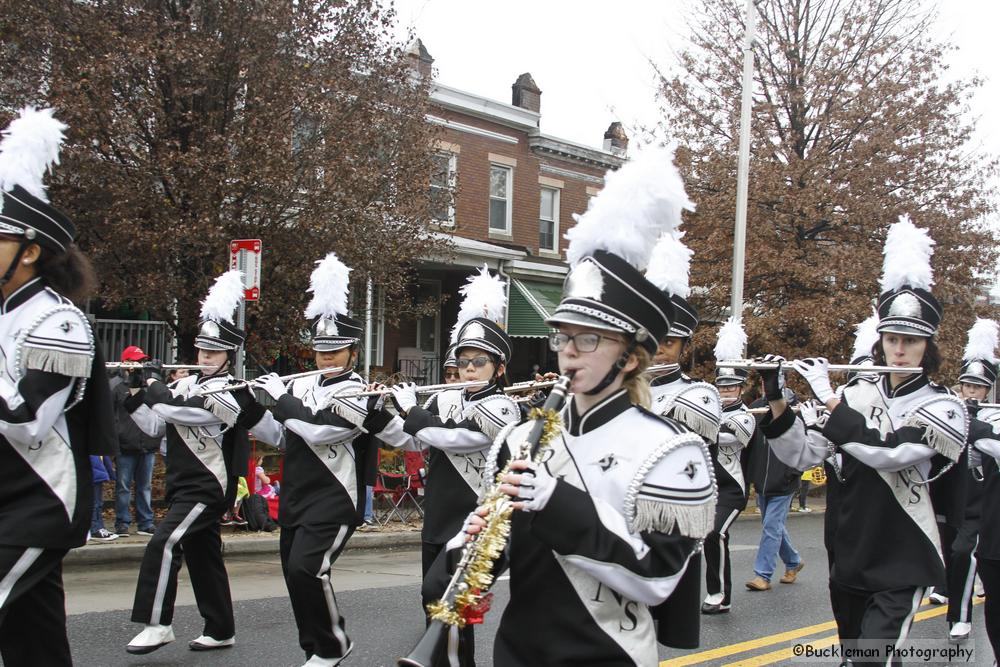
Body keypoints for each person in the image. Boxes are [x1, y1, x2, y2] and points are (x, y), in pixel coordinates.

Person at [456, 146, 716, 665]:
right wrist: (465, 557)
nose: (569, 351)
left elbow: (657, 578)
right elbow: (505, 549)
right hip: (518, 651)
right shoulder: (518, 438)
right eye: (563, 337)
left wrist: (554, 501)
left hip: (608, 653)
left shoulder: (668, 450)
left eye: (589, 339)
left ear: (630, 358)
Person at [772, 217, 966, 665]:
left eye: (911, 342)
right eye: (892, 339)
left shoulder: (945, 407)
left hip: (904, 554)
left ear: (927, 348)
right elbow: (803, 454)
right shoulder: (857, 392)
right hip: (852, 550)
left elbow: (890, 454)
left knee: (870, 660)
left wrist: (830, 402)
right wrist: (776, 398)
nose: (899, 350)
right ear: (880, 342)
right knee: (857, 657)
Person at [0, 107, 116, 666]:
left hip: (37, 497)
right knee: (34, 639)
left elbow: (27, 421)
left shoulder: (60, 323)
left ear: (28, 251)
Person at [126, 270, 282, 655]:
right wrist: (134, 391)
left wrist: (156, 390)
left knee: (164, 543)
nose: (205, 358)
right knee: (203, 556)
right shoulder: (183, 386)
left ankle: (157, 622)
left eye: (214, 353)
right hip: (183, 483)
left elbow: (191, 415)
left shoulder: (231, 391)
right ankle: (220, 627)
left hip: (209, 486)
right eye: (202, 351)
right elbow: (154, 424)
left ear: (229, 355)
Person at [253, 252, 392, 667]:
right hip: (297, 492)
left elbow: (320, 431)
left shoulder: (358, 392)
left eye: (336, 352)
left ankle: (334, 644)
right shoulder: (303, 387)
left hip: (334, 497)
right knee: (294, 577)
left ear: (352, 352)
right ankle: (314, 647)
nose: (326, 358)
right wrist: (248, 408)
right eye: (321, 351)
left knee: (307, 570)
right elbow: (281, 435)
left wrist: (279, 399)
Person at [378, 265, 520, 666]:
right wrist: (375, 415)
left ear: (500, 368)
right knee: (435, 604)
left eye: (479, 362)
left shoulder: (503, 406)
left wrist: (413, 411)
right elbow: (411, 439)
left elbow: (456, 438)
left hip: (478, 521)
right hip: (440, 516)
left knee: (446, 599)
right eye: (463, 361)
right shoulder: (443, 399)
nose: (469, 369)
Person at [644, 234, 728, 616]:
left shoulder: (700, 394)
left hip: (668, 519)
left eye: (670, 341)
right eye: (652, 339)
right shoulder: (614, 387)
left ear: (683, 348)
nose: (659, 348)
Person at [940, 319, 999, 644]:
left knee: (965, 553)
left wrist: (977, 425)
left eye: (977, 387)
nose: (971, 392)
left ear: (987, 390)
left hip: (985, 503)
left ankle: (959, 618)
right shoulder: (954, 411)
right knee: (953, 553)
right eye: (967, 386)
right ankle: (946, 592)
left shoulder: (995, 416)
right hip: (958, 498)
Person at [703, 318, 757, 613]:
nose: (725, 392)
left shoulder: (746, 416)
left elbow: (728, 439)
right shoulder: (707, 409)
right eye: (722, 387)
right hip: (705, 486)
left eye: (732, 388)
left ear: (740, 389)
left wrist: (702, 424)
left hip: (731, 489)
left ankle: (720, 595)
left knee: (716, 533)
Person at [745, 377, 804, 592]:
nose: (766, 386)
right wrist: (749, 475)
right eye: (764, 381)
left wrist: (793, 473)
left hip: (784, 481)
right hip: (762, 480)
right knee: (772, 526)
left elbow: (802, 444)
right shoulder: (754, 408)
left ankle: (763, 575)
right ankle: (794, 561)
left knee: (771, 526)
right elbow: (749, 445)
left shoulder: (794, 408)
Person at [111, 345, 162, 537]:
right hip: (125, 444)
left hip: (146, 444)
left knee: (144, 486)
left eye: (141, 361)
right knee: (123, 486)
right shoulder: (117, 386)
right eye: (134, 361)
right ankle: (122, 523)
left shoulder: (148, 386)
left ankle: (145, 522)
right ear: (125, 364)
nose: (138, 365)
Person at [90, 456, 118, 541]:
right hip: (93, 474)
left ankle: (99, 526)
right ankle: (94, 529)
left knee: (98, 503)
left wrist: (110, 472)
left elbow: (104, 457)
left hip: (98, 474)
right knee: (94, 504)